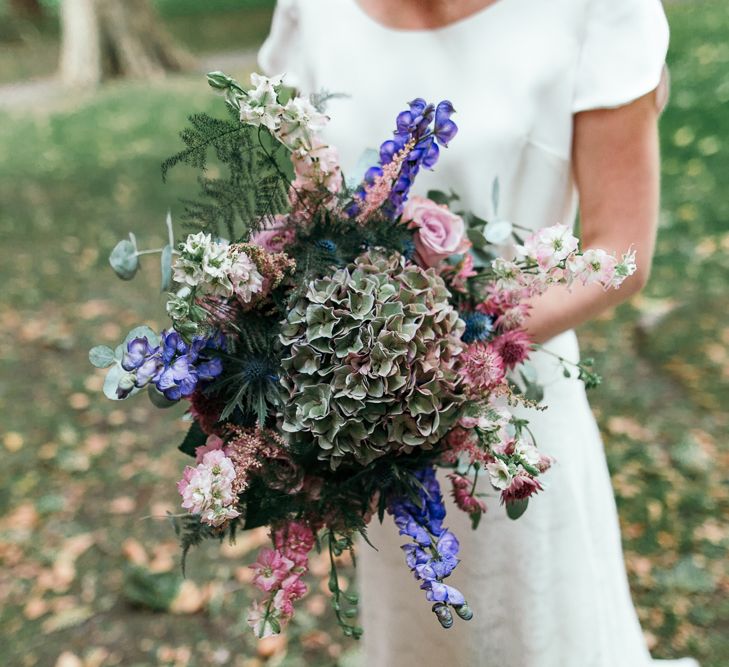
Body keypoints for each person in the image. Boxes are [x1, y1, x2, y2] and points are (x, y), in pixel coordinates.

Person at [259, 1, 699, 665]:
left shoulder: (597, 12)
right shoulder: (311, 9)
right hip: (369, 432)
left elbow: (619, 252)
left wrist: (445, 349)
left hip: (514, 428)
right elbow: (308, 210)